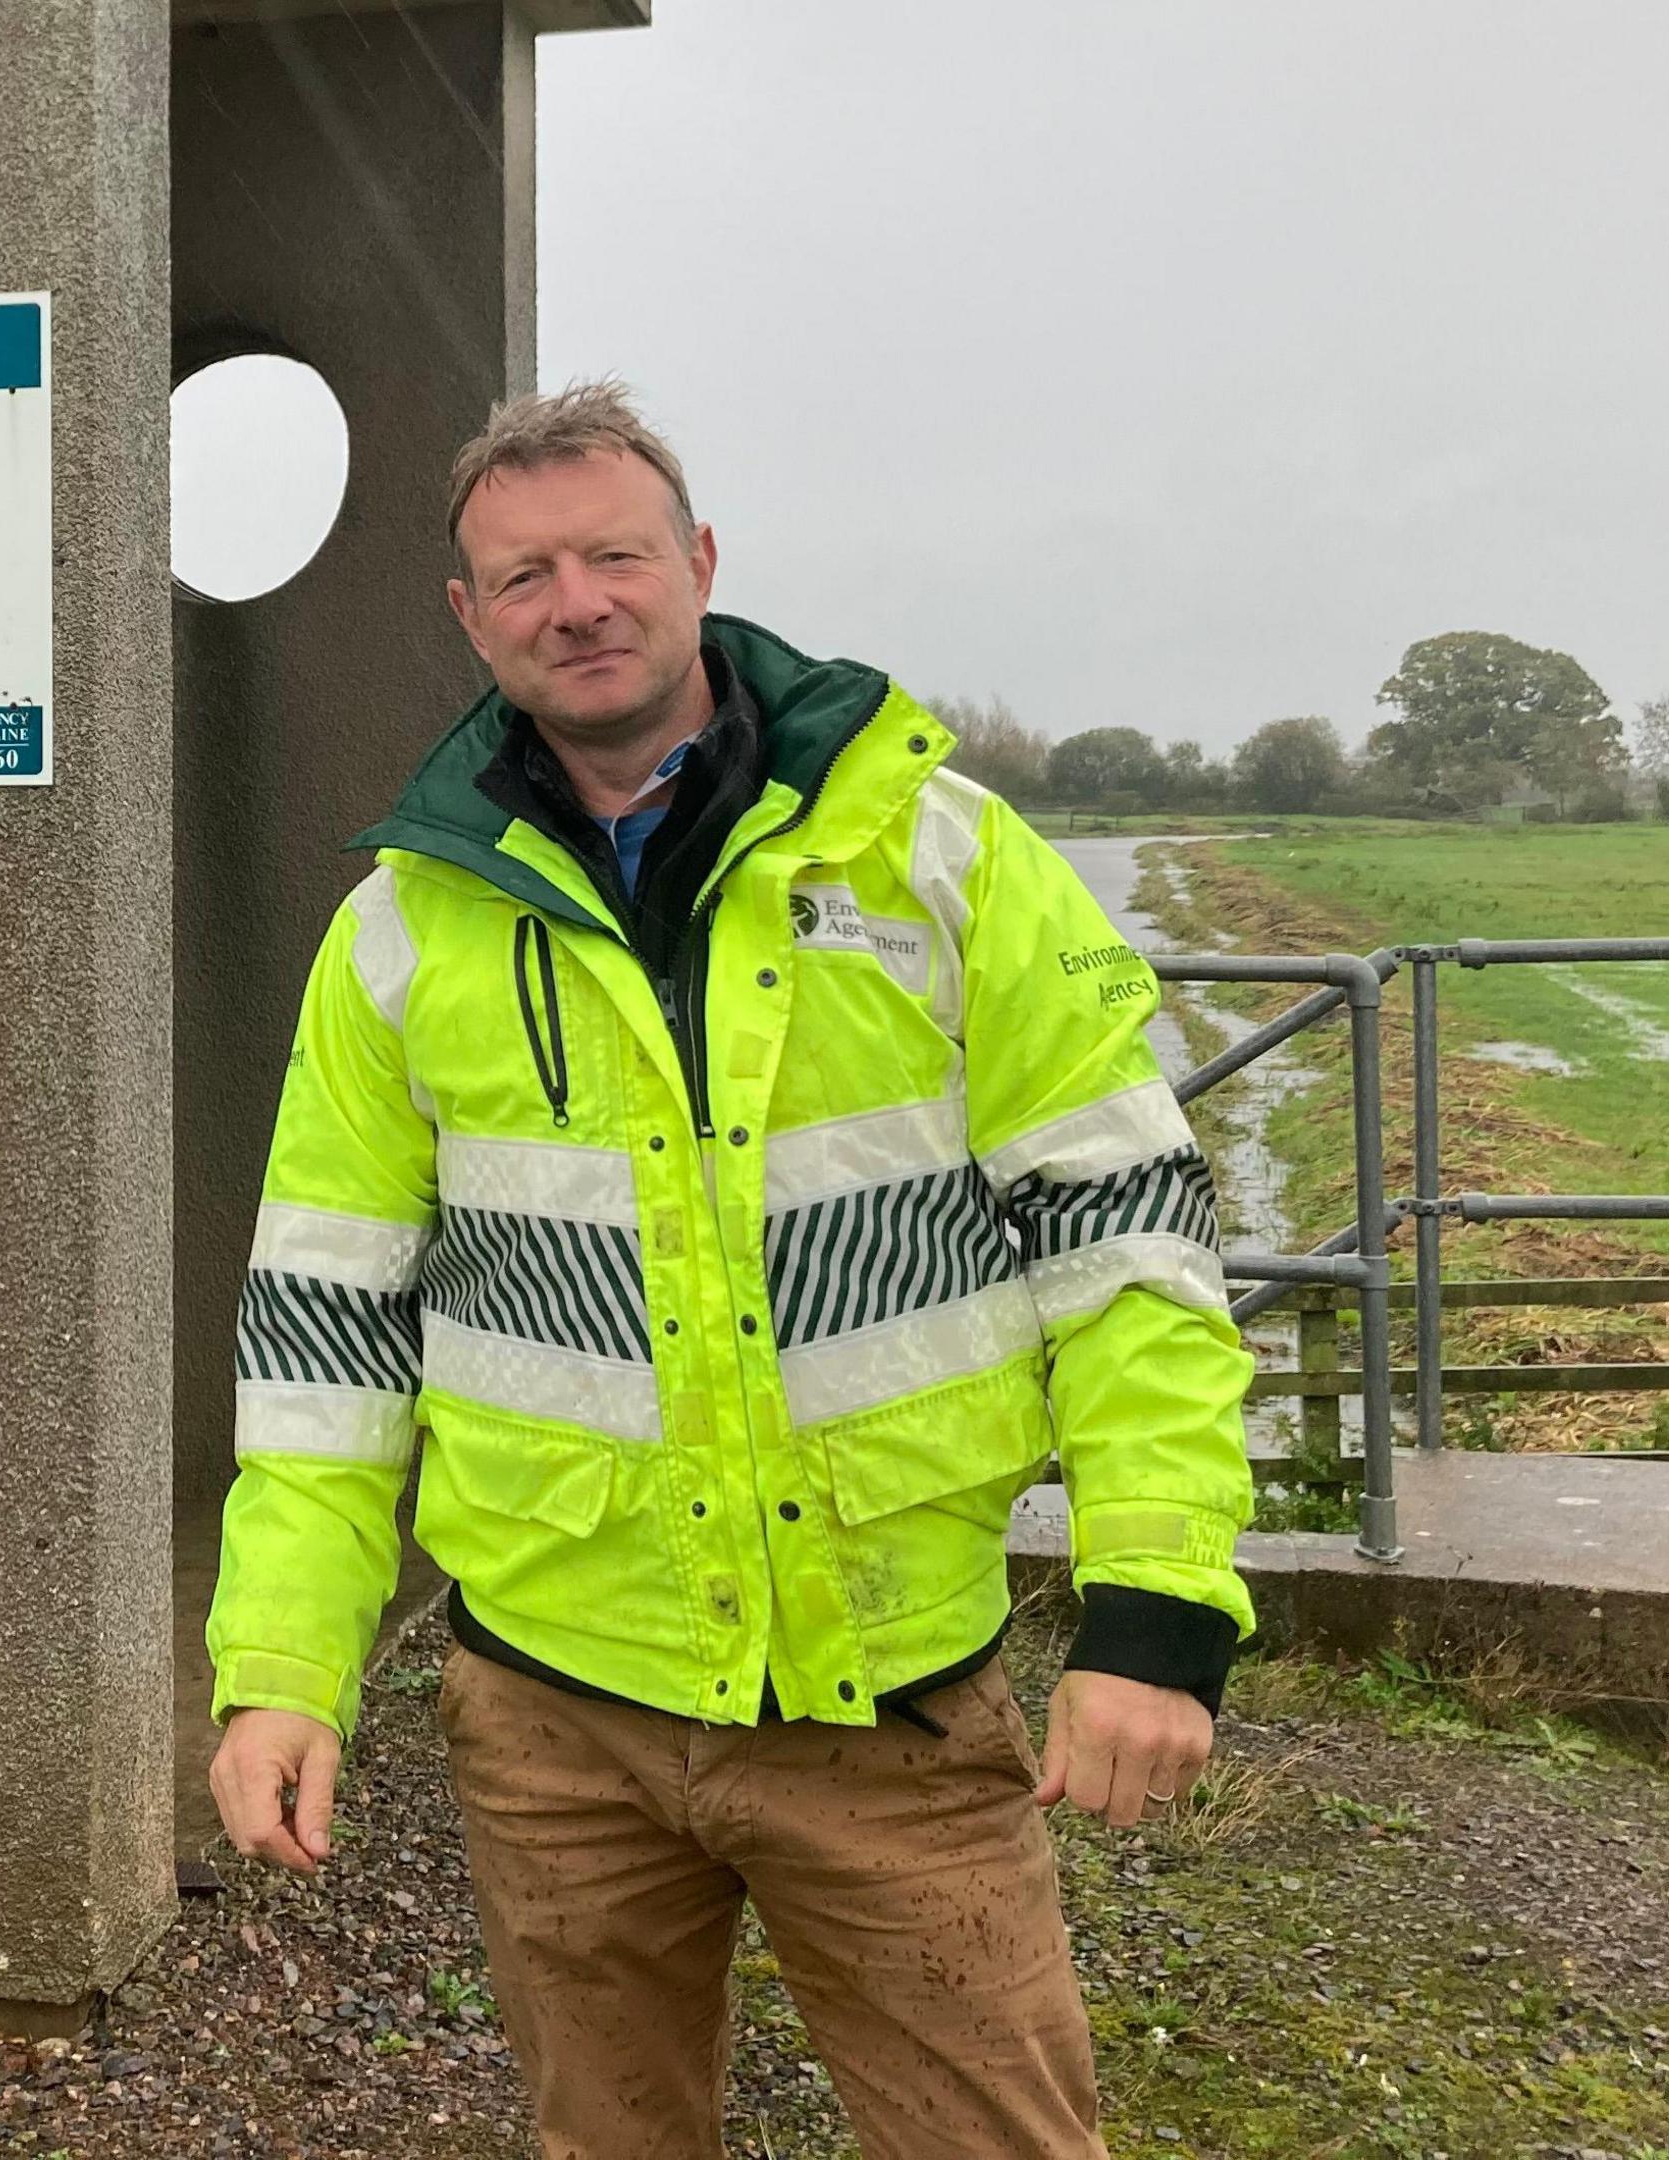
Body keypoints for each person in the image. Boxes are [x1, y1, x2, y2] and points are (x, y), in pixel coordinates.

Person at [204, 381, 1255, 2159]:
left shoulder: (943, 860)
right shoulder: (400, 927)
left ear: (697, 562)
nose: (577, 600)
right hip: (552, 1722)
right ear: (471, 619)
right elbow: (327, 1329)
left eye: (615, 552)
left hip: (893, 1701)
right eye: (523, 573)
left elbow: (1126, 1236)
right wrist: (282, 1665)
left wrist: (1158, 1605)